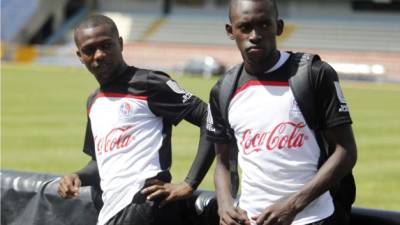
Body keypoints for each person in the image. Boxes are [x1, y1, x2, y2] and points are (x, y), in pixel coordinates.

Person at [206, 1, 357, 225]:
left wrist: (292, 206)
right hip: (249, 218)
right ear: (231, 31)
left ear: (279, 27)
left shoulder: (314, 74)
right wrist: (225, 204)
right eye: (245, 27)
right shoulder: (223, 89)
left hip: (313, 219)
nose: (255, 35)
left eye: (264, 25)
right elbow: (223, 162)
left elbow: (346, 152)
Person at [57, 14, 215, 225]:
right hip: (111, 213)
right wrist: (77, 176)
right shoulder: (93, 102)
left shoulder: (148, 83)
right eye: (89, 50)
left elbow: (209, 116)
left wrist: (189, 183)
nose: (99, 55)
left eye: (106, 45)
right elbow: (100, 163)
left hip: (146, 207)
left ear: (120, 44)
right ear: (79, 55)